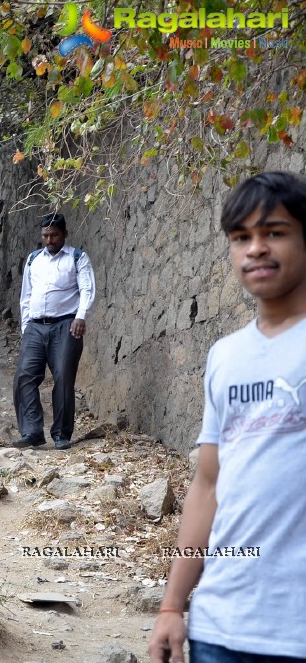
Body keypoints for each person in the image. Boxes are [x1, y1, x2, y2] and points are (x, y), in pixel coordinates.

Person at [148, 171, 306, 663]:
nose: (255, 248)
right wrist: (173, 605)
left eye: (274, 232)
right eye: (242, 238)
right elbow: (207, 485)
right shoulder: (225, 356)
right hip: (221, 626)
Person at [12, 213, 96, 451]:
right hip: (36, 327)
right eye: (45, 235)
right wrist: (26, 325)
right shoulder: (33, 259)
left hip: (66, 325)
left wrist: (81, 316)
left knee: (63, 378)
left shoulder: (77, 258)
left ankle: (61, 433)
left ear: (64, 234)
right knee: (24, 377)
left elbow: (87, 289)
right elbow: (26, 295)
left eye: (54, 235)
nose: (49, 240)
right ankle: (31, 431)